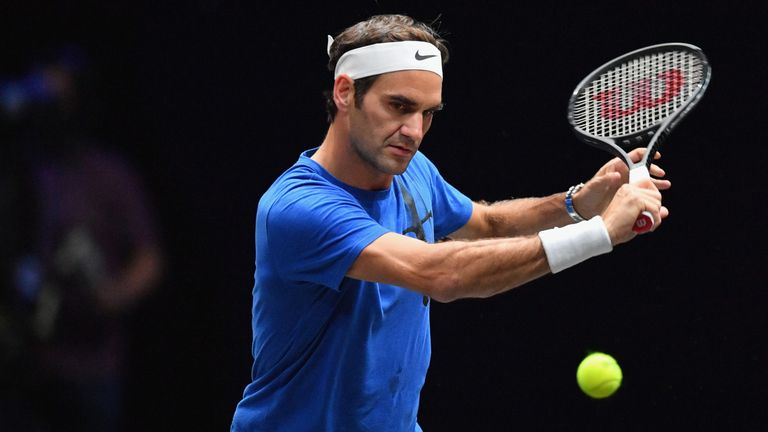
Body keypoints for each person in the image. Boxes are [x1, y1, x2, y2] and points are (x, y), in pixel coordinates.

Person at [231, 14, 669, 431]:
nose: (414, 131)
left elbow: (487, 223)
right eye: (399, 106)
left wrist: (578, 202)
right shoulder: (298, 208)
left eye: (428, 113)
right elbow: (441, 273)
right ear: (345, 92)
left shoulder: (413, 169)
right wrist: (601, 233)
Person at [0, 46, 163, 431]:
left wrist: (113, 296)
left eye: (61, 100)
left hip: (91, 364)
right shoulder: (25, 171)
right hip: (28, 358)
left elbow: (149, 258)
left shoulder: (107, 173)